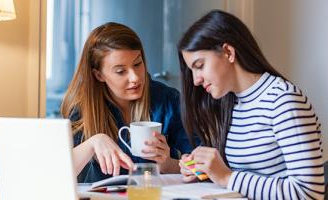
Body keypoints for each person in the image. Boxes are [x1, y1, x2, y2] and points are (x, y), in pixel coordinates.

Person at [177, 10, 325, 199]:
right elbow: (248, 181)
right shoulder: (232, 103)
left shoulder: (283, 100)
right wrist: (203, 171)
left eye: (199, 66)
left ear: (228, 52)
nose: (196, 80)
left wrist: (226, 176)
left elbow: (310, 193)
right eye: (192, 71)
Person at [61, 22, 195, 183]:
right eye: (120, 71)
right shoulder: (83, 109)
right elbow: (54, 175)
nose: (135, 78)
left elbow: (199, 167)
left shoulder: (168, 100)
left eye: (137, 64)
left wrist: (167, 163)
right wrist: (93, 143)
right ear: (98, 75)